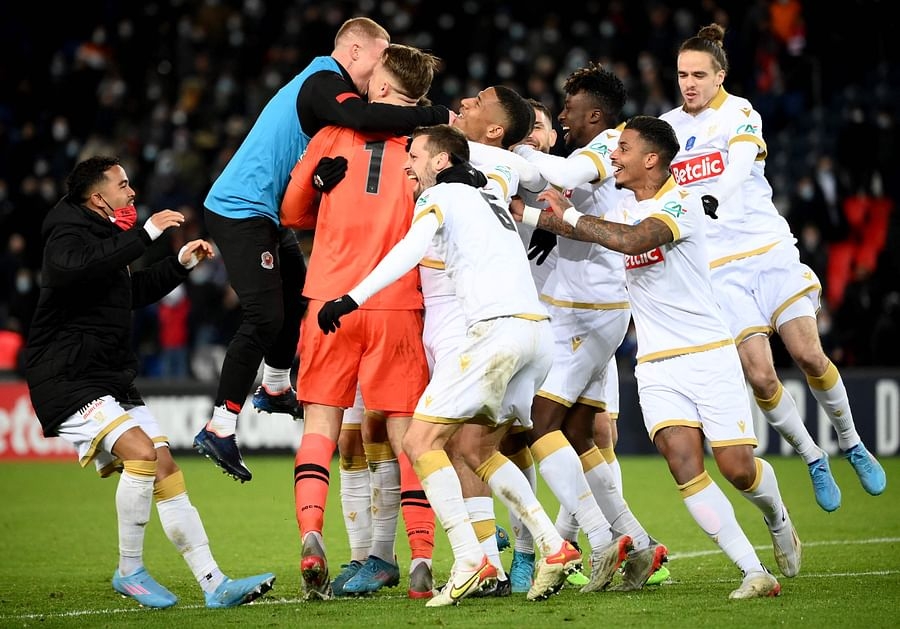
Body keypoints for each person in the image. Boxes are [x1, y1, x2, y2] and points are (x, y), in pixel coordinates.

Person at [317, 124, 603, 606]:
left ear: (442, 161)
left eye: (415, 155)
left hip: (496, 334)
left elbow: (409, 249)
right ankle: (553, 546)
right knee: (477, 445)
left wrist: (351, 297)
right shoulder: (488, 194)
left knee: (419, 439)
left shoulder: (445, 193)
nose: (407, 163)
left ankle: (471, 558)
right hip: (536, 335)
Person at [535, 115, 798, 599]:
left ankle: (776, 514)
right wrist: (533, 213)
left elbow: (629, 241)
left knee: (738, 468)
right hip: (656, 364)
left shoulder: (683, 201)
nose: (614, 156)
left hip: (708, 353)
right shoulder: (630, 205)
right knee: (683, 465)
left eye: (624, 149)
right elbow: (600, 232)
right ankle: (753, 571)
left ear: (651, 159)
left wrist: (567, 217)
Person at [193, 17, 452, 483]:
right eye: (379, 57)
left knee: (300, 293)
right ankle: (220, 426)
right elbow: (365, 120)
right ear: (353, 51)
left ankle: (274, 388)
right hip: (240, 207)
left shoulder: (324, 87)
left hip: (267, 211)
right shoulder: (322, 82)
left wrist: (314, 182)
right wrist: (437, 117)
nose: (381, 71)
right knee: (265, 316)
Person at [23, 156, 276, 609]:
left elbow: (129, 293)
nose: (132, 192)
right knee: (141, 454)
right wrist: (147, 234)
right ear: (98, 198)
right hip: (67, 378)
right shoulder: (65, 231)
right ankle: (130, 570)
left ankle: (214, 583)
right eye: (123, 185)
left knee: (165, 468)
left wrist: (178, 264)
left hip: (108, 378)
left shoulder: (105, 237)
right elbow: (72, 270)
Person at [659, 23, 886, 512]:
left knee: (807, 353)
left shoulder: (740, 112)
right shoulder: (668, 127)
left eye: (699, 74)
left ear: (720, 76)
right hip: (717, 268)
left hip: (767, 252)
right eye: (682, 75)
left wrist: (716, 190)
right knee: (760, 376)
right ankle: (812, 456)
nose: (689, 84)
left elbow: (739, 163)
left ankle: (851, 442)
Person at [279, 43, 441, 601]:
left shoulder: (329, 137)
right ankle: (420, 557)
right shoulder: (424, 152)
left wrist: (325, 190)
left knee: (320, 431)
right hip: (397, 305)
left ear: (378, 87)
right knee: (406, 439)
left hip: (329, 301)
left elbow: (291, 213)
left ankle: (311, 536)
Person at [512, 63, 665, 593]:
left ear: (594, 114)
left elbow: (567, 177)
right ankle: (639, 544)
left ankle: (601, 541)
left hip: (588, 312)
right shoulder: (594, 149)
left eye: (569, 107)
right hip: (585, 310)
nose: (561, 115)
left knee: (538, 425)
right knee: (577, 435)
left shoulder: (602, 148)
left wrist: (516, 152)